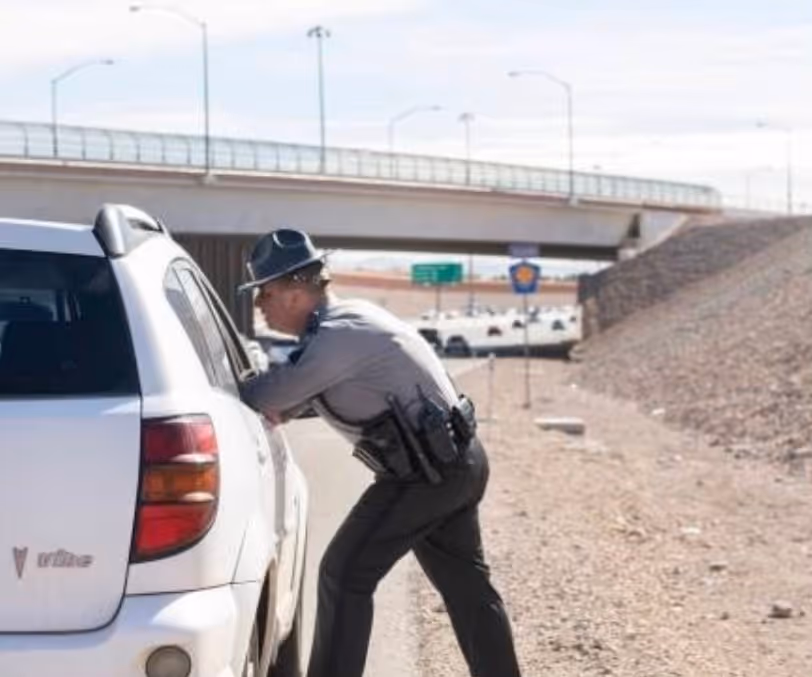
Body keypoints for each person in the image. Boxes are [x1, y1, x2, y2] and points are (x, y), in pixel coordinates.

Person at [238, 228, 522, 677]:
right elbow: (307, 394)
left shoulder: (336, 338)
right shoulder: (351, 320)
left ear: (294, 291)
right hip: (457, 462)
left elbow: (270, 394)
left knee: (343, 574)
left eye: (265, 293)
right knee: (467, 588)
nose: (260, 306)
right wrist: (285, 403)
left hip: (426, 476)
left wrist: (231, 389)